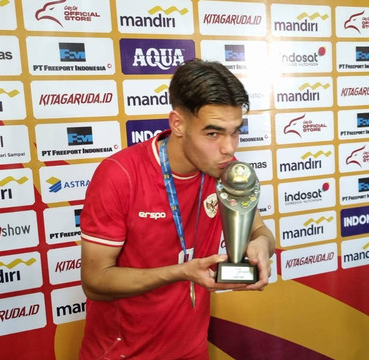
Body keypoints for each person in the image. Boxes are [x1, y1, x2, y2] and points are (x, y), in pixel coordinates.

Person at [78, 59, 276, 360]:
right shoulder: (120, 175)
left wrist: (262, 245)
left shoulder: (226, 172)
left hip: (192, 350)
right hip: (122, 353)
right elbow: (95, 281)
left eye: (235, 132)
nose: (229, 148)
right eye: (213, 134)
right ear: (178, 124)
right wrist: (181, 272)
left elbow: (259, 231)